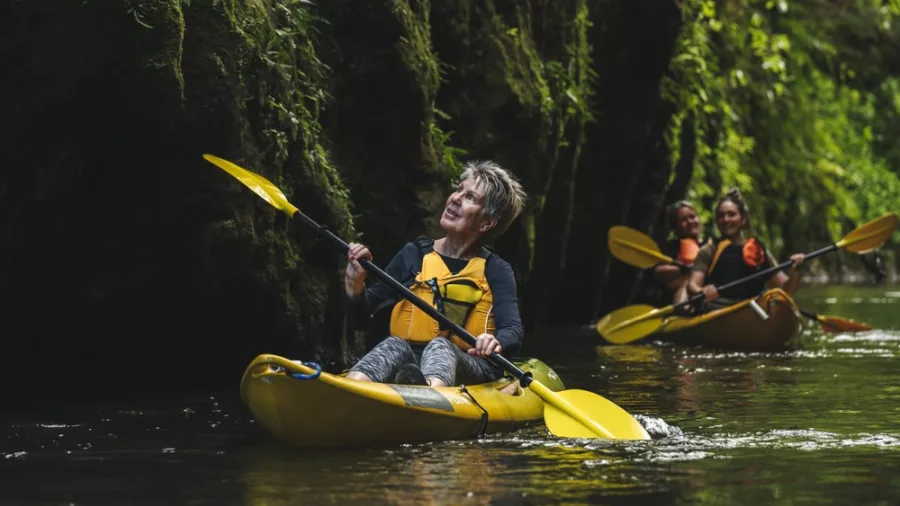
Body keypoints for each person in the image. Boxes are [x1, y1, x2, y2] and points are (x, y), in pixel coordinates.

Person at [343, 160, 527, 387]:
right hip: (412, 358)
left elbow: (513, 329)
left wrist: (495, 341)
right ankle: (354, 386)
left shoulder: (497, 270)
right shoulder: (414, 255)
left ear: (487, 223)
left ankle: (430, 393)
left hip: (470, 366)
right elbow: (360, 320)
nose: (456, 198)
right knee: (395, 344)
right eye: (459, 189)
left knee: (440, 346)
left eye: (471, 197)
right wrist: (355, 284)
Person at [678, 188, 805, 307]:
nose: (726, 219)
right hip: (718, 308)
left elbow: (785, 289)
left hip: (754, 308)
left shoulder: (758, 250)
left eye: (731, 214)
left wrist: (796, 271)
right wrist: (703, 291)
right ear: (717, 221)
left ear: (743, 219)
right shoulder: (709, 250)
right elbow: (693, 285)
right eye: (721, 216)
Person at [652, 200, 708, 301]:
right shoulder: (671, 246)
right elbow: (658, 272)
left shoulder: (709, 243)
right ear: (675, 227)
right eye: (683, 220)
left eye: (692, 217)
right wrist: (684, 269)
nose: (690, 222)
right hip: (679, 292)